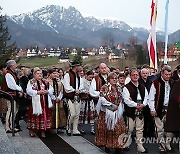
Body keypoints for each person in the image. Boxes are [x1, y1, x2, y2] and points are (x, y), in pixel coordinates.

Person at [95, 72, 126, 154]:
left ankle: (118, 146)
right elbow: (102, 99)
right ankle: (107, 145)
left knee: (119, 129)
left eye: (116, 78)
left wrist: (118, 106)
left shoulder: (119, 87)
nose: (115, 80)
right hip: (107, 112)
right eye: (113, 78)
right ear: (109, 79)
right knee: (107, 129)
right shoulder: (104, 87)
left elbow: (121, 97)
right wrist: (112, 105)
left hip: (117, 111)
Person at [122, 68, 149, 153]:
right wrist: (136, 105)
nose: (135, 76)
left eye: (137, 75)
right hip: (131, 110)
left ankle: (140, 146)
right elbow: (126, 100)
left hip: (141, 109)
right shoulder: (127, 87)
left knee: (140, 129)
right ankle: (125, 144)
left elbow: (146, 97)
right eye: (133, 75)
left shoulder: (142, 86)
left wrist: (143, 104)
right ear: (130, 76)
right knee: (129, 129)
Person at [149, 65, 174, 153]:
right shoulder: (155, 83)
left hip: (170, 109)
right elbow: (151, 97)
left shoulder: (172, 82)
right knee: (159, 129)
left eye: (169, 74)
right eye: (166, 74)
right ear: (162, 74)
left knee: (170, 129)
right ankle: (161, 146)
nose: (168, 76)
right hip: (159, 108)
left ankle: (168, 144)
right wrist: (152, 109)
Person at [26, 67, 54, 138]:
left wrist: (47, 91)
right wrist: (37, 92)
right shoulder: (31, 82)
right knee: (34, 115)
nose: (40, 75)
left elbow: (51, 89)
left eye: (41, 73)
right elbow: (28, 91)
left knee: (44, 115)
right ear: (34, 74)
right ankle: (32, 130)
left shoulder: (46, 82)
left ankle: (43, 130)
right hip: (35, 102)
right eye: (38, 74)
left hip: (44, 102)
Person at [63, 61, 84, 136]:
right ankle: (68, 127)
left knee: (77, 114)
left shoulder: (79, 76)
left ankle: (75, 129)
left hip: (77, 97)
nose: (80, 67)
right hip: (70, 97)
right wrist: (74, 90)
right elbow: (66, 87)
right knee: (72, 113)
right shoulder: (67, 75)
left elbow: (81, 85)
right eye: (79, 66)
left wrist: (79, 90)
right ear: (76, 66)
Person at [1, 60, 23, 133]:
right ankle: (8, 127)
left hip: (13, 94)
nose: (16, 65)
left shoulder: (11, 73)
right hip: (10, 95)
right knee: (11, 111)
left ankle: (11, 125)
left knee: (14, 110)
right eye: (15, 64)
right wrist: (20, 89)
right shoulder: (8, 74)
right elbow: (11, 85)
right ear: (11, 66)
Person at [47, 68, 66, 133]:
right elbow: (49, 91)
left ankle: (59, 126)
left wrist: (59, 97)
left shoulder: (59, 81)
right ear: (50, 74)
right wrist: (54, 98)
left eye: (56, 73)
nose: (55, 75)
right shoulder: (48, 82)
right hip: (51, 99)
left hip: (59, 99)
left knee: (60, 112)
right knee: (52, 112)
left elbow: (62, 90)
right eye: (53, 73)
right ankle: (51, 126)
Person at [138, 68, 155, 138]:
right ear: (141, 74)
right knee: (142, 120)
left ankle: (151, 133)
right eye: (143, 73)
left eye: (146, 73)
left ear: (148, 74)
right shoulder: (138, 82)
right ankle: (143, 134)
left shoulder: (151, 82)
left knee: (151, 119)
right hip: (141, 102)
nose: (145, 75)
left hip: (149, 102)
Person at [165, 79, 180, 152]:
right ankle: (167, 144)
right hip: (175, 110)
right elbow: (174, 96)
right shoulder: (177, 83)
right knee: (172, 127)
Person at [78, 70, 96, 134]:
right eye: (90, 77)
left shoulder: (94, 82)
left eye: (92, 77)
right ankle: (81, 128)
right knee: (83, 114)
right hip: (84, 100)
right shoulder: (82, 81)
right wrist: (85, 91)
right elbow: (80, 89)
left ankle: (92, 129)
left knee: (91, 114)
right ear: (86, 76)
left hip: (90, 100)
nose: (91, 79)